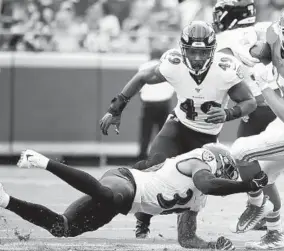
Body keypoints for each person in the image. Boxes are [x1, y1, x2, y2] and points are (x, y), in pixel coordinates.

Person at [99, 20, 257, 238]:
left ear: (212, 51)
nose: (198, 58)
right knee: (154, 166)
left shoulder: (224, 70)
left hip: (206, 137)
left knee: (193, 187)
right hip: (178, 126)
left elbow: (250, 102)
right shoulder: (174, 64)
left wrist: (229, 113)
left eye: (203, 53)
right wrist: (115, 109)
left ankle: (187, 234)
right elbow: (142, 76)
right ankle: (143, 219)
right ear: (183, 51)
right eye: (192, 52)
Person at [213, 1, 284, 249]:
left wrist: (264, 85)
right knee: (260, 176)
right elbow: (267, 49)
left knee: (240, 151)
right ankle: (275, 233)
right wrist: (250, 53)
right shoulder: (274, 32)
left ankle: (255, 206)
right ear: (282, 29)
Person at [0, 143, 268, 250]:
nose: (226, 175)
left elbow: (186, 238)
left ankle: (5, 201)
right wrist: (247, 186)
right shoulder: (199, 164)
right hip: (126, 181)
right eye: (227, 171)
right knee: (112, 196)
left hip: (126, 202)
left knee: (63, 228)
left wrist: (211, 246)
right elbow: (207, 183)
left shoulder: (199, 198)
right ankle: (43, 161)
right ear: (219, 161)